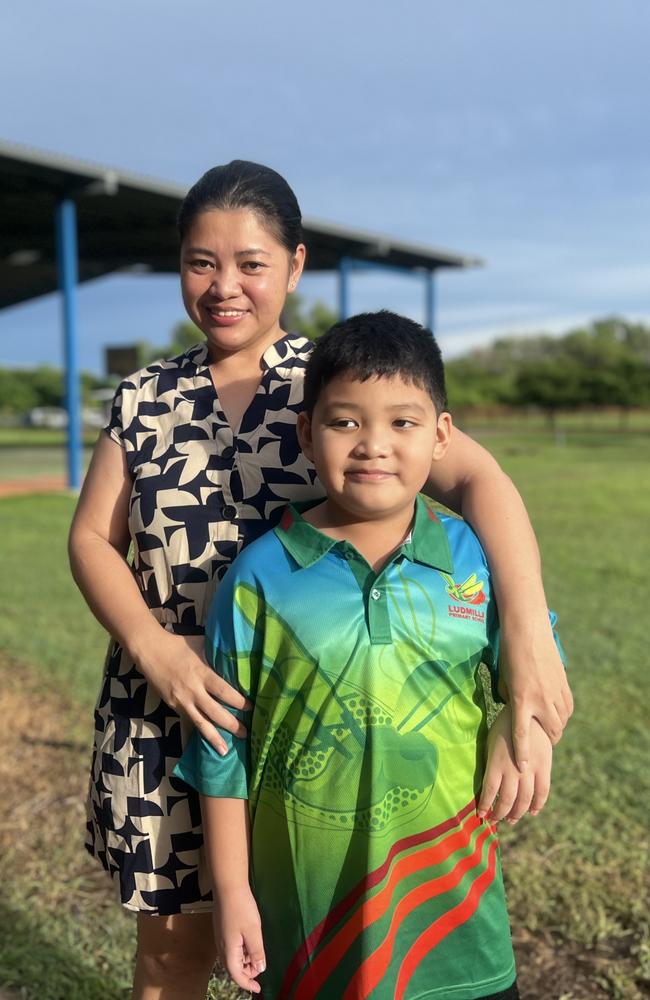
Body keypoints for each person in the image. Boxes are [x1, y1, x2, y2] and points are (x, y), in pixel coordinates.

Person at [68, 161, 571, 1000]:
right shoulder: (145, 397)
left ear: (295, 268)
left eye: (252, 263)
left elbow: (482, 484)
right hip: (169, 709)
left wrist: (522, 629)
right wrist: (151, 646)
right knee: (170, 951)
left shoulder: (344, 381)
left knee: (323, 936)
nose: (226, 286)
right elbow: (92, 537)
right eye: (202, 262)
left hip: (312, 713)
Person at [174, 310, 559, 998]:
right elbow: (221, 748)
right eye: (345, 422)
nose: (373, 445)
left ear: (442, 436)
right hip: (312, 927)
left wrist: (517, 724)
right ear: (306, 434)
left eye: (403, 423)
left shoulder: (475, 562)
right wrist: (232, 889)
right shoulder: (260, 576)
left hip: (456, 928)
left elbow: (536, 673)